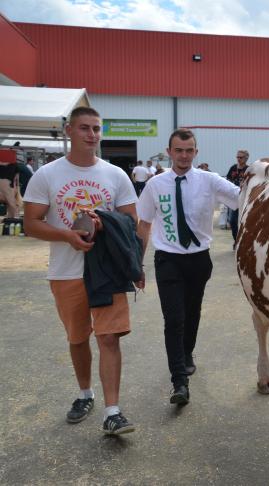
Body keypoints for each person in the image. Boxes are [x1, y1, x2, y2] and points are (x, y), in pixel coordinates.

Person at [22, 106, 138, 435]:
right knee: (77, 338)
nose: (92, 134)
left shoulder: (115, 175)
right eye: (85, 128)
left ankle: (112, 412)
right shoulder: (48, 174)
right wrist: (65, 235)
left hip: (107, 271)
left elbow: (132, 221)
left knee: (109, 338)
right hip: (66, 272)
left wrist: (105, 222)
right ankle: (85, 394)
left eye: (97, 128)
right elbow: (31, 223)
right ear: (69, 132)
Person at [136, 128, 240, 405]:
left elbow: (244, 198)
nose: (184, 155)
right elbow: (144, 224)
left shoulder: (210, 181)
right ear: (169, 152)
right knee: (174, 318)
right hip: (168, 259)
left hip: (199, 259)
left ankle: (187, 352)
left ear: (196, 152)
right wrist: (137, 263)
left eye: (189, 150)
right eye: (178, 150)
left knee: (192, 311)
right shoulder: (155, 185)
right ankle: (179, 381)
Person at [224, 149, 249, 248]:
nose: (238, 159)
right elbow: (227, 180)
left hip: (245, 199)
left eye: (241, 157)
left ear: (246, 158)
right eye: (237, 157)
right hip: (233, 199)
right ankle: (236, 240)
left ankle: (243, 241)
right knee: (233, 221)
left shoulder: (249, 169)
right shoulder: (233, 168)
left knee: (244, 222)